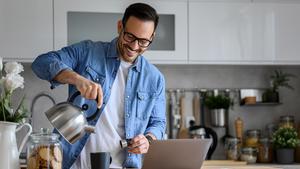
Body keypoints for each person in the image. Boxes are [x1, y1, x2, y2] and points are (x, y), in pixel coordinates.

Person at [31, 3, 166, 169]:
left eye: (143, 41)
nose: (134, 46)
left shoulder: (155, 78)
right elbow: (41, 63)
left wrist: (148, 140)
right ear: (119, 27)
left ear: (152, 38)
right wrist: (77, 79)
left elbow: (158, 123)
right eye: (130, 37)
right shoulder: (88, 52)